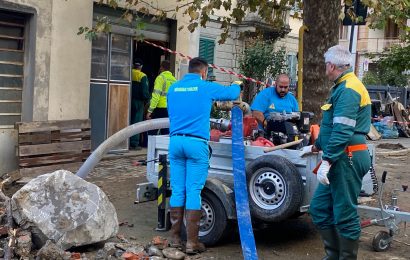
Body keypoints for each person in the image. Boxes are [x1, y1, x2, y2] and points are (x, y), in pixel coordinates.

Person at [300, 45, 372, 260]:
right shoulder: (342, 87)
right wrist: (315, 147)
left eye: (325, 66)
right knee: (320, 209)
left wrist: (327, 160)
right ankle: (334, 256)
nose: (325, 69)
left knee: (344, 214)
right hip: (342, 155)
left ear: (331, 66)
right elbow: (332, 127)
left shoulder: (349, 89)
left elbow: (343, 129)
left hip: (347, 157)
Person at [167, 57, 241, 254]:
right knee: (193, 190)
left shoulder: (173, 88)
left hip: (175, 142)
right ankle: (192, 243)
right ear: (203, 72)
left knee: (177, 189)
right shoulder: (205, 87)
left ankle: (174, 238)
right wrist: (237, 83)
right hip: (196, 143)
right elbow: (232, 93)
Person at [146, 60, 176, 135]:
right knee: (166, 132)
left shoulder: (160, 78)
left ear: (161, 68)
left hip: (160, 108)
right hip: (170, 109)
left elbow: (156, 95)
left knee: (152, 131)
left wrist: (150, 110)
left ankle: (151, 146)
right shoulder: (174, 80)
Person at [130, 59, 150, 149]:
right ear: (141, 66)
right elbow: (144, 92)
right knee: (137, 122)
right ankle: (134, 143)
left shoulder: (129, 73)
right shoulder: (142, 76)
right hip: (138, 102)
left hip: (129, 100)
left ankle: (126, 141)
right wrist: (147, 100)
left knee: (129, 120)